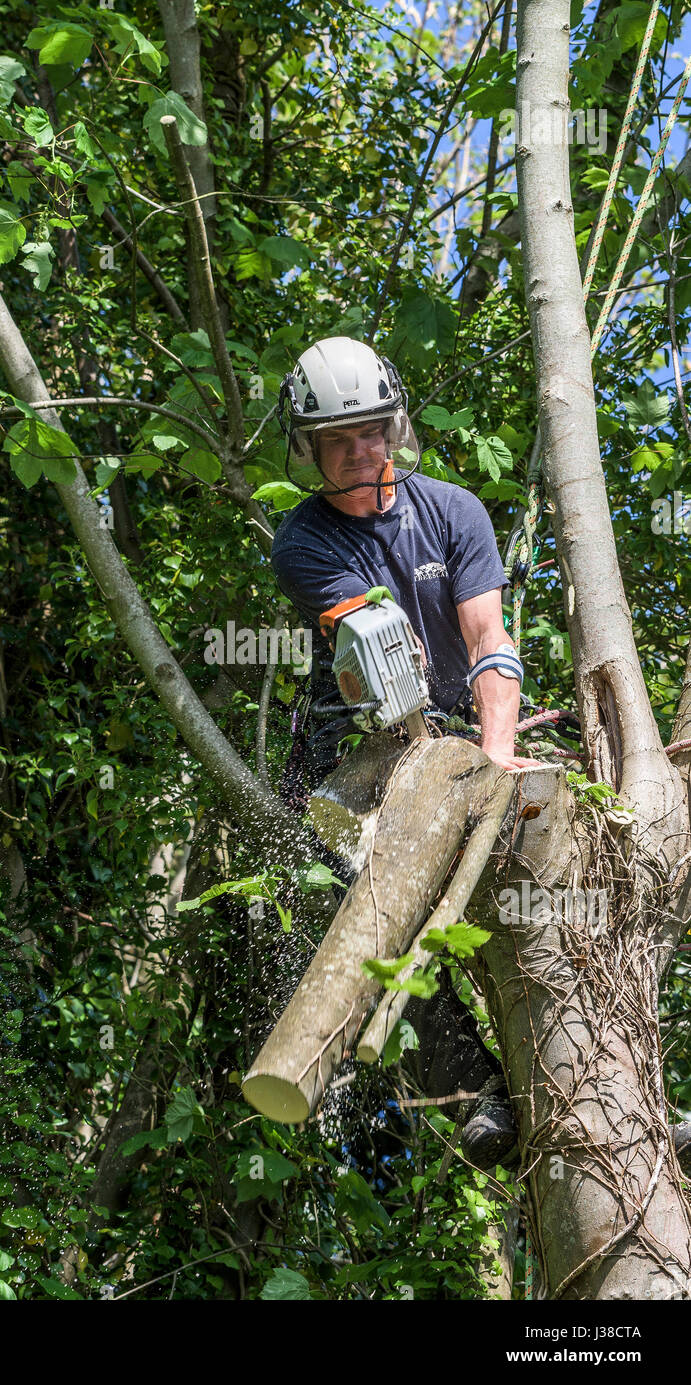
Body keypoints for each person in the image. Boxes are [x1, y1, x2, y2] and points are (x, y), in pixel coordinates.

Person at [270, 335, 541, 1168]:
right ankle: (474, 1095)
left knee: (544, 870)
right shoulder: (302, 542)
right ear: (310, 451)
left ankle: (594, 1075)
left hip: (461, 732)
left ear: (394, 428)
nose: (358, 454)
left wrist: (494, 754)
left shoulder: (454, 511)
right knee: (386, 909)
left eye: (370, 433)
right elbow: (379, 659)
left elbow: (487, 636)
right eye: (336, 443)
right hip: (353, 749)